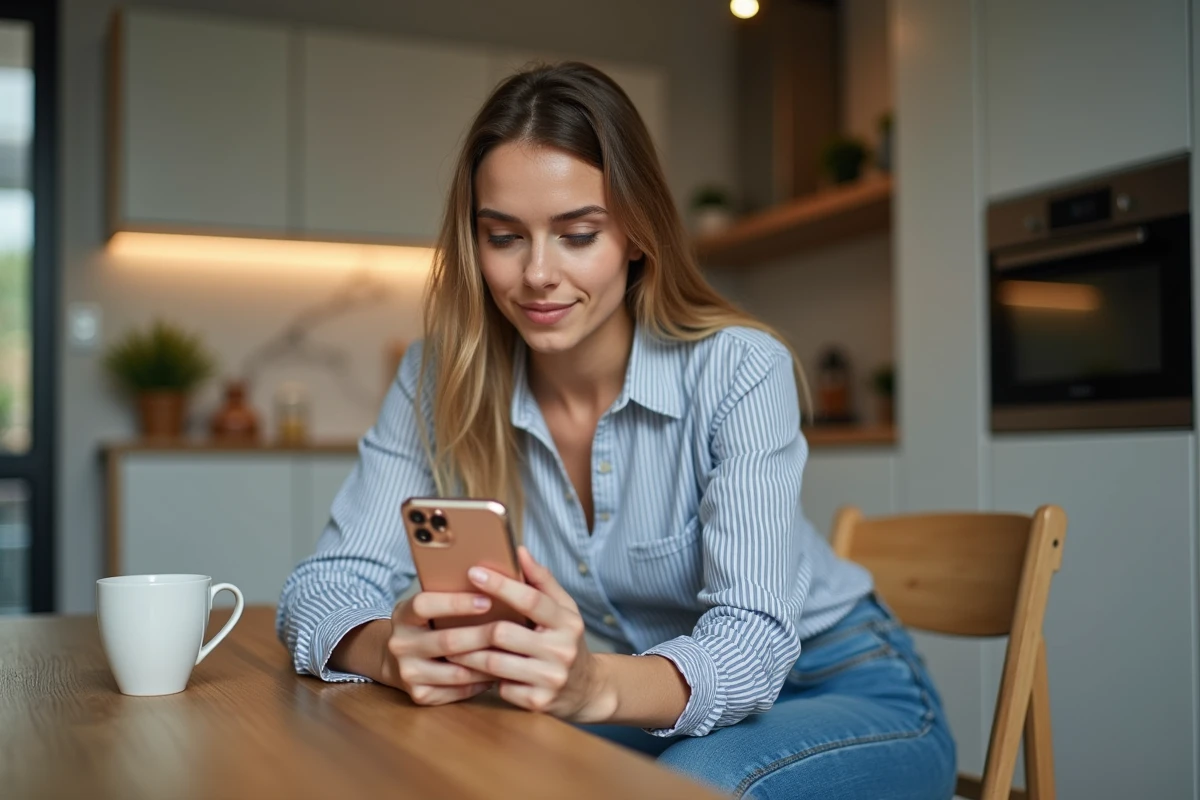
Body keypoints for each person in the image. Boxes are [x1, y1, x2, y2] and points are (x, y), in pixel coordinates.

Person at [277, 62, 956, 798]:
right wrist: (387, 649)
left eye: (577, 234)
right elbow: (323, 587)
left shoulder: (738, 371)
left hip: (837, 687)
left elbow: (755, 642)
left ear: (635, 233)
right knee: (468, 757)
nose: (537, 273)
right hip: (656, 706)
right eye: (504, 237)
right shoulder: (439, 378)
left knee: (691, 784)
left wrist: (593, 684)